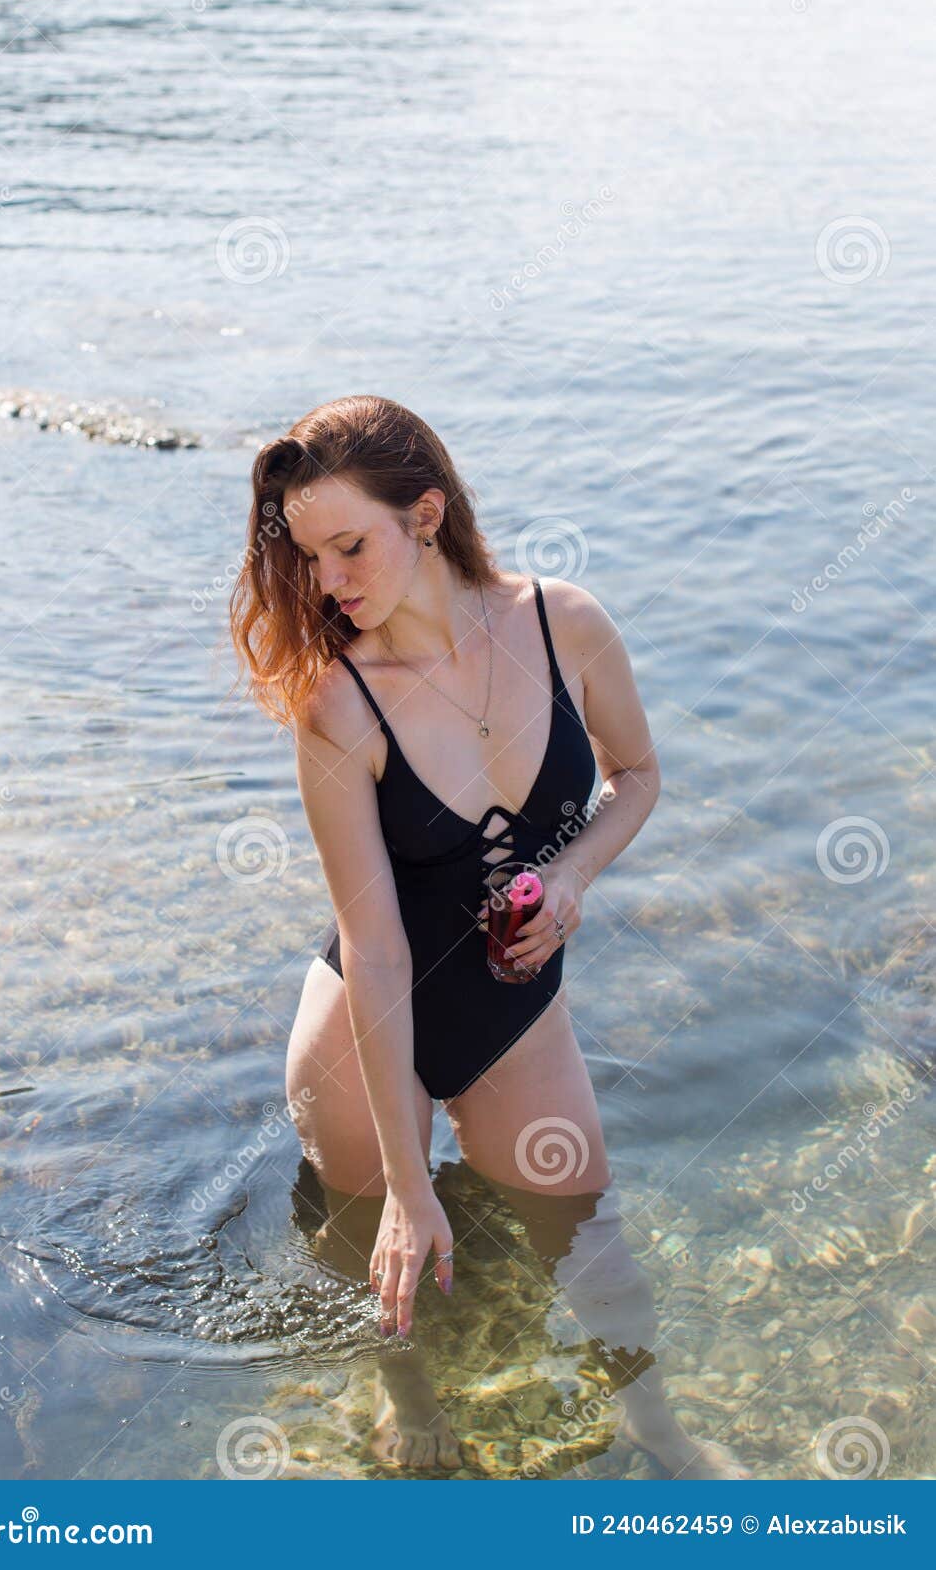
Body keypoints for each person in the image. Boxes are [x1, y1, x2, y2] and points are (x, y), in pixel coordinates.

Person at [230, 395, 747, 1477]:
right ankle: (407, 1399)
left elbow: (637, 776)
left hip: (517, 1010)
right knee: (397, 1269)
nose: (327, 582)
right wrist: (412, 1188)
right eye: (309, 556)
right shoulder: (339, 705)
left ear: (424, 515)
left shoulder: (564, 624)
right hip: (369, 1031)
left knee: (584, 1230)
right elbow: (372, 951)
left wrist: (568, 876)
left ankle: (660, 1433)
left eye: (347, 545)